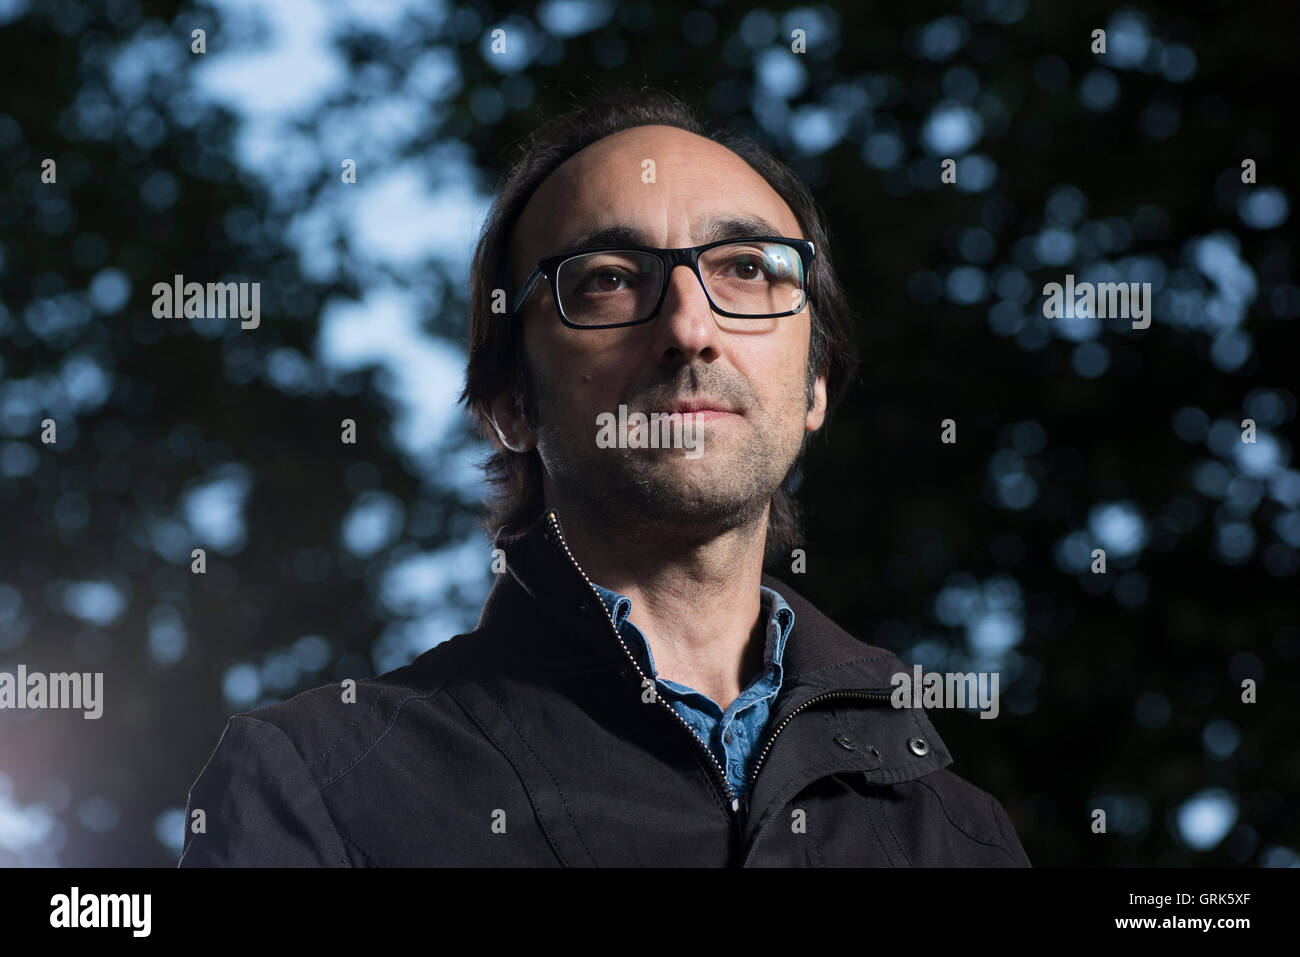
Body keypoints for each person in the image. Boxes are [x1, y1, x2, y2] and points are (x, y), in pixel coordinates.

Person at [179, 88, 1031, 867]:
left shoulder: (964, 837)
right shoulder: (320, 788)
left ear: (813, 383)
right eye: (611, 280)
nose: (691, 327)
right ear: (511, 403)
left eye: (747, 267)